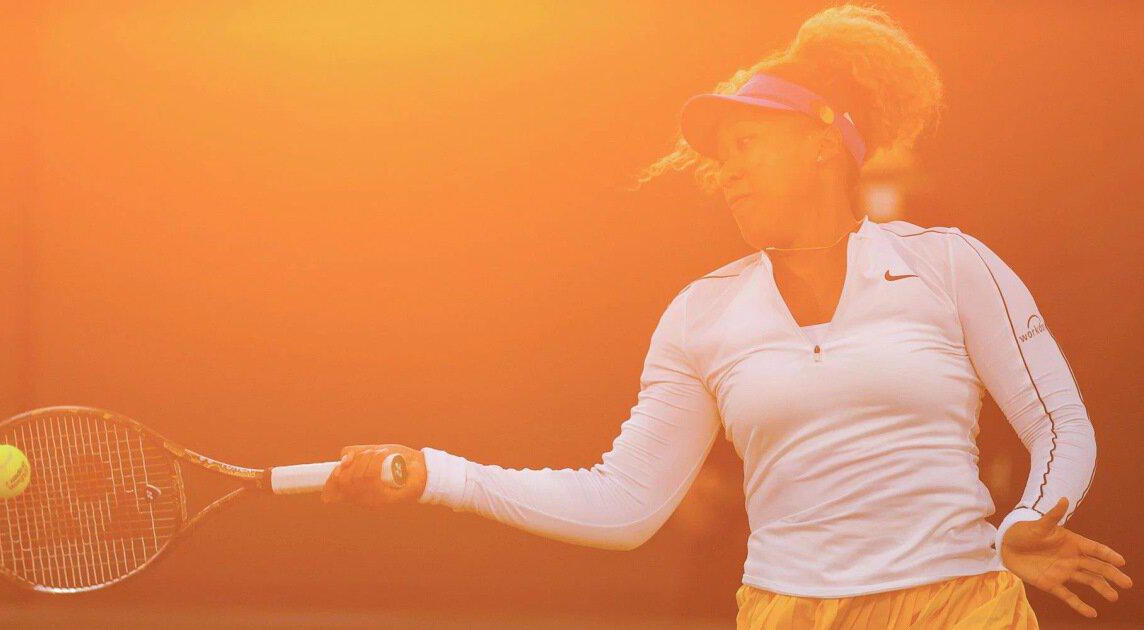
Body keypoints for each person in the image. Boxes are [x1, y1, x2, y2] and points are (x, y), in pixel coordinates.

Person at [321, 4, 1133, 627]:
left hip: (961, 609)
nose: (727, 174)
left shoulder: (952, 263)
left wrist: (1028, 520)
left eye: (747, 144)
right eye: (722, 157)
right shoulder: (699, 314)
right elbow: (626, 502)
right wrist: (437, 474)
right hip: (785, 614)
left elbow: (1058, 421)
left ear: (823, 142)